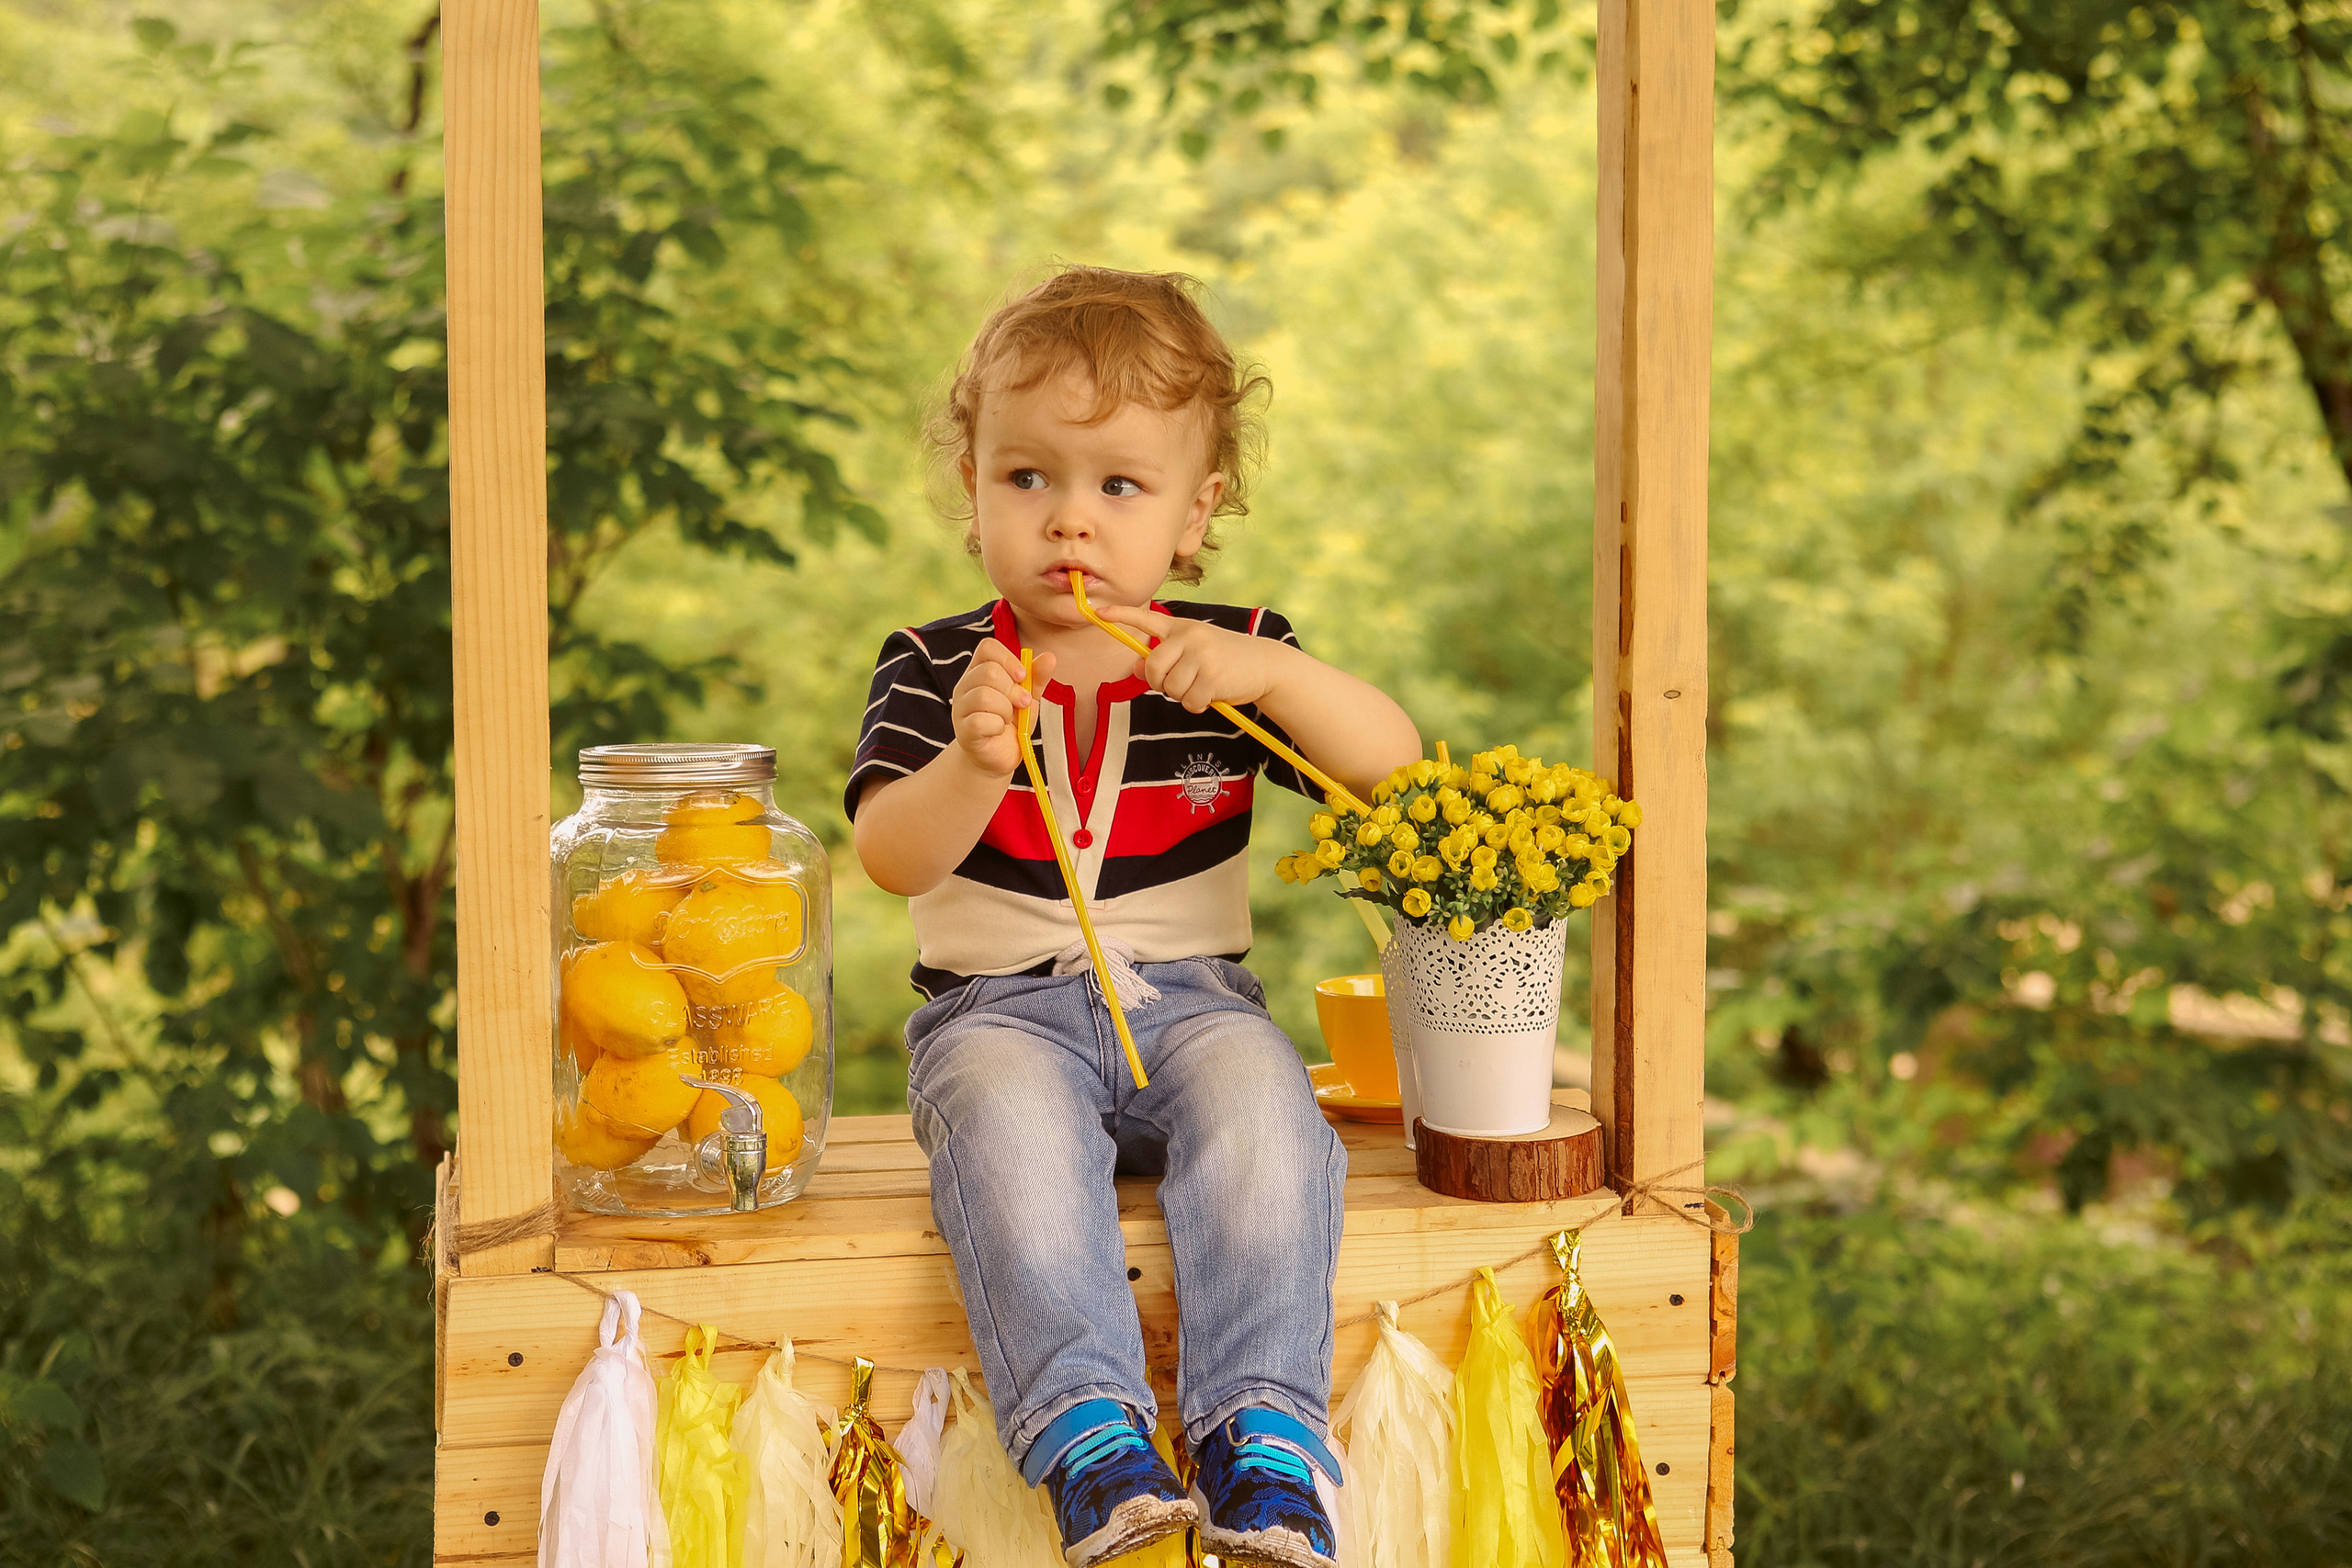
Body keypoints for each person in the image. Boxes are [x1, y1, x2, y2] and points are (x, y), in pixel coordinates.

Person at [847, 266, 1420, 1568]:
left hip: (1198, 1004)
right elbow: (888, 853)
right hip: (998, 1014)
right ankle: (1090, 1437)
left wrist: (1276, 674)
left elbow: (1392, 766)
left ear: (1193, 510)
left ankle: (1261, 1435)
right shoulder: (939, 665)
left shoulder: (1231, 651)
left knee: (1270, 1113)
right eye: (1028, 478)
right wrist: (971, 768)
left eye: (1119, 487)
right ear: (974, 484)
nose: (1070, 526)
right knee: (1005, 1133)